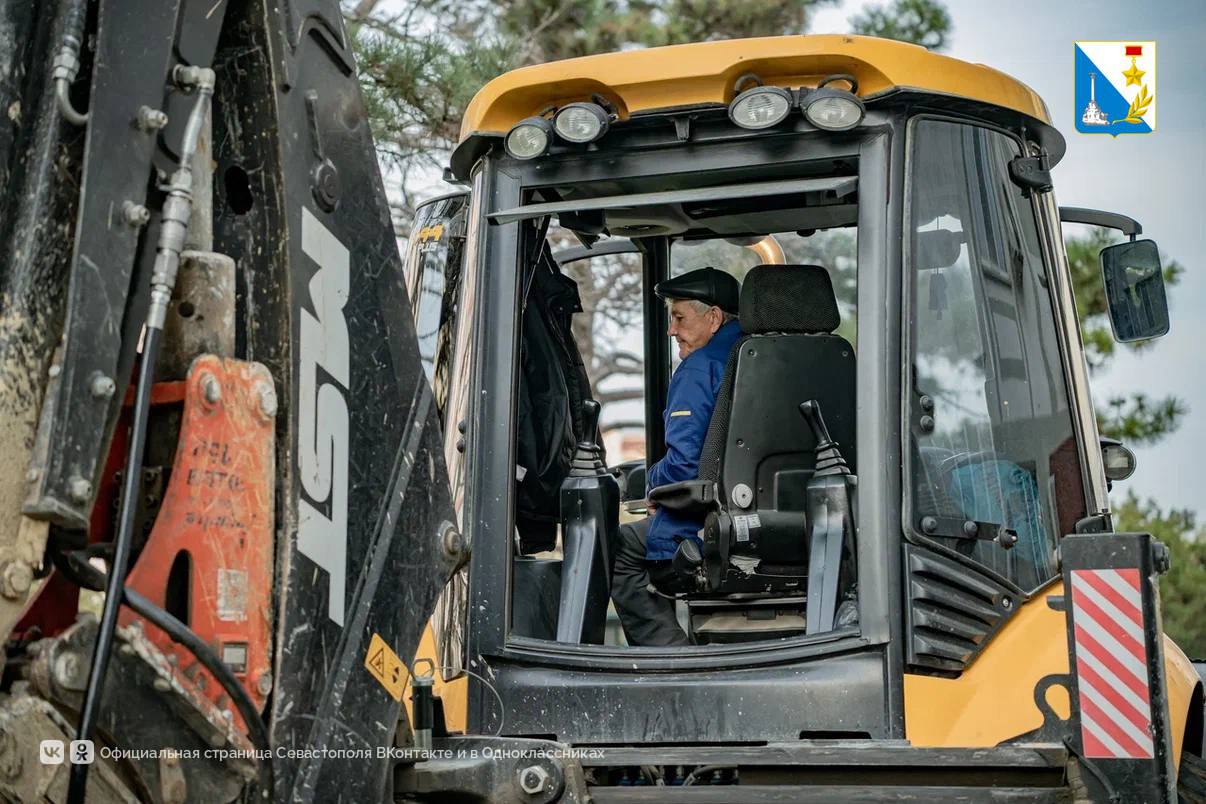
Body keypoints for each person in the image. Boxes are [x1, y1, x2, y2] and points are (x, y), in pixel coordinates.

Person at [611, 267, 742, 646]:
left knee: (620, 547)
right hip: (783, 529)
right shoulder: (765, 355)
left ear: (714, 318)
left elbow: (685, 465)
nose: (671, 330)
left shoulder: (702, 367)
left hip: (708, 529)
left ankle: (669, 657)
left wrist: (653, 487)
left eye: (679, 317)